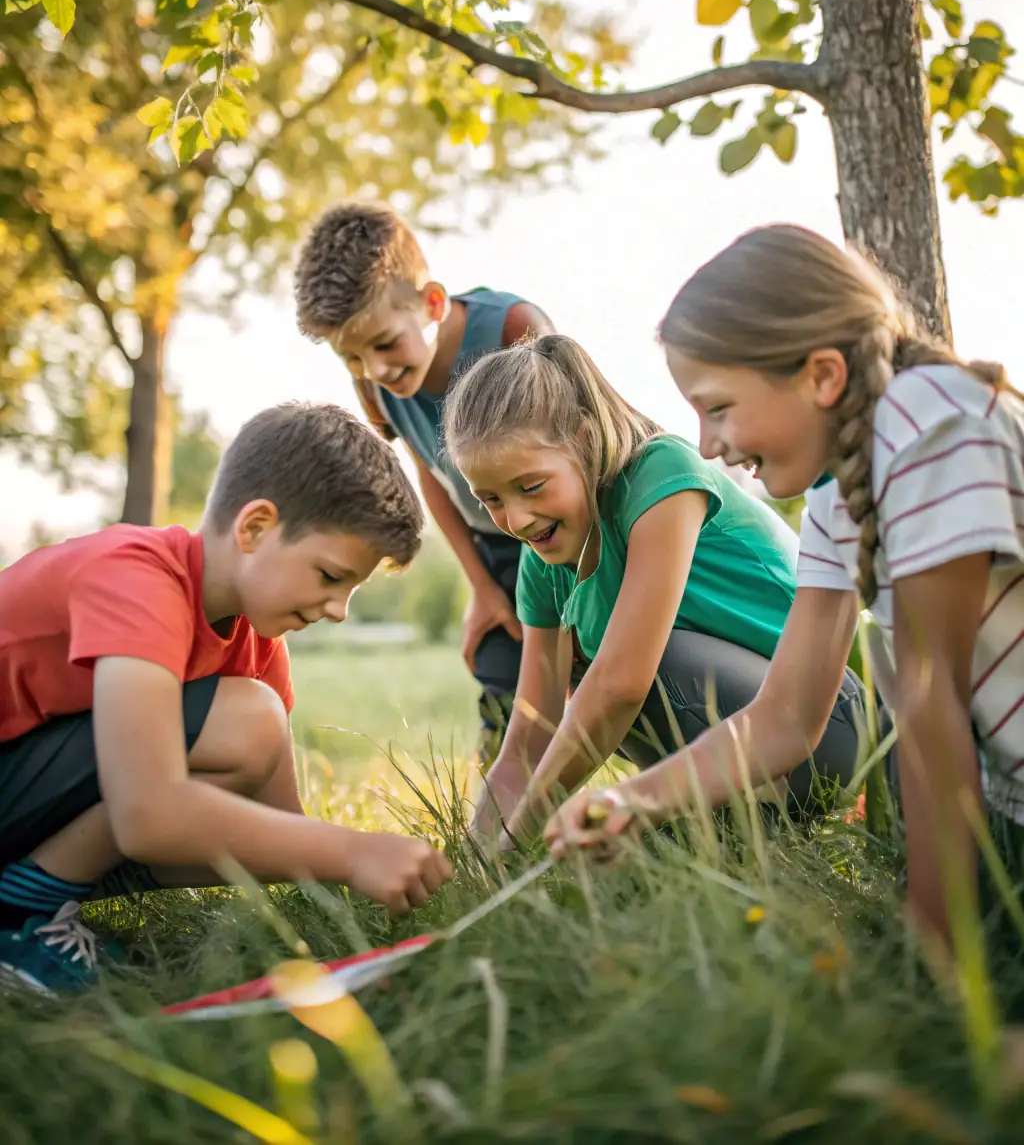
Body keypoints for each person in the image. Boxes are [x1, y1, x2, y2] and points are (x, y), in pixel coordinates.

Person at [547, 224, 1024, 953]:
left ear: (822, 376)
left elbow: (933, 695)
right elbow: (787, 715)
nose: (707, 444)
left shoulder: (932, 423)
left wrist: (934, 950)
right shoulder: (839, 495)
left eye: (718, 407)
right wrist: (631, 797)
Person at [0, 403, 451, 995]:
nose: (339, 611)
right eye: (330, 576)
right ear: (255, 528)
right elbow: (147, 816)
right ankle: (18, 919)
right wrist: (350, 851)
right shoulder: (135, 578)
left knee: (251, 734)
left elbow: (280, 832)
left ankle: (43, 895)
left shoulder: (255, 642)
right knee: (248, 723)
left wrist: (352, 931)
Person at [441, 334, 864, 849]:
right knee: (589, 683)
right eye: (490, 500)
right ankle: (730, 837)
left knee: (635, 671)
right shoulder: (543, 560)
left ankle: (770, 822)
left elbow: (620, 687)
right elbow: (530, 736)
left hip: (825, 723)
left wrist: (520, 837)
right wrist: (475, 857)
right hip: (733, 750)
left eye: (531, 487)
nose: (516, 519)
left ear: (583, 438)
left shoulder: (661, 474)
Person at [294, 201, 553, 755]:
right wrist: (481, 587)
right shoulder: (379, 385)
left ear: (432, 303)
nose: (375, 370)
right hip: (494, 543)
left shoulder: (514, 329)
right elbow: (431, 473)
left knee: (581, 663)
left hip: (566, 532)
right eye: (354, 358)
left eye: (385, 344)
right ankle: (507, 822)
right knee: (499, 665)